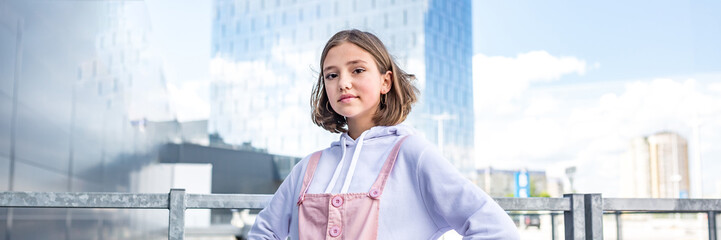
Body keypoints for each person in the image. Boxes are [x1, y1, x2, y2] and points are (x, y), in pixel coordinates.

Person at [248, 29, 519, 240]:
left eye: (358, 70)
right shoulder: (309, 167)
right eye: (331, 75)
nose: (343, 82)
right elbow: (263, 233)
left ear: (385, 82)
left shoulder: (413, 153)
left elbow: (496, 229)